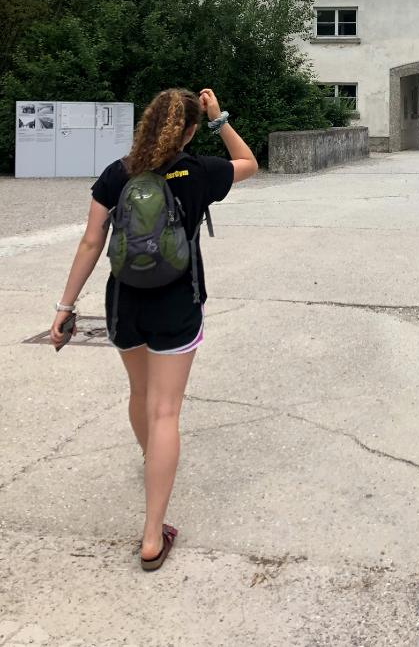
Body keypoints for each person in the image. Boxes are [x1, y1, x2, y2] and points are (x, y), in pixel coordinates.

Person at [49, 88, 258, 570]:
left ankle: (152, 462)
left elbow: (89, 242)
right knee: (166, 411)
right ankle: (150, 536)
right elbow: (248, 161)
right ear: (187, 129)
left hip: (124, 303)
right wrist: (219, 118)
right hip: (177, 302)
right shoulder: (199, 171)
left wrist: (64, 305)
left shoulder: (116, 174)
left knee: (140, 395)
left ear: (145, 124)